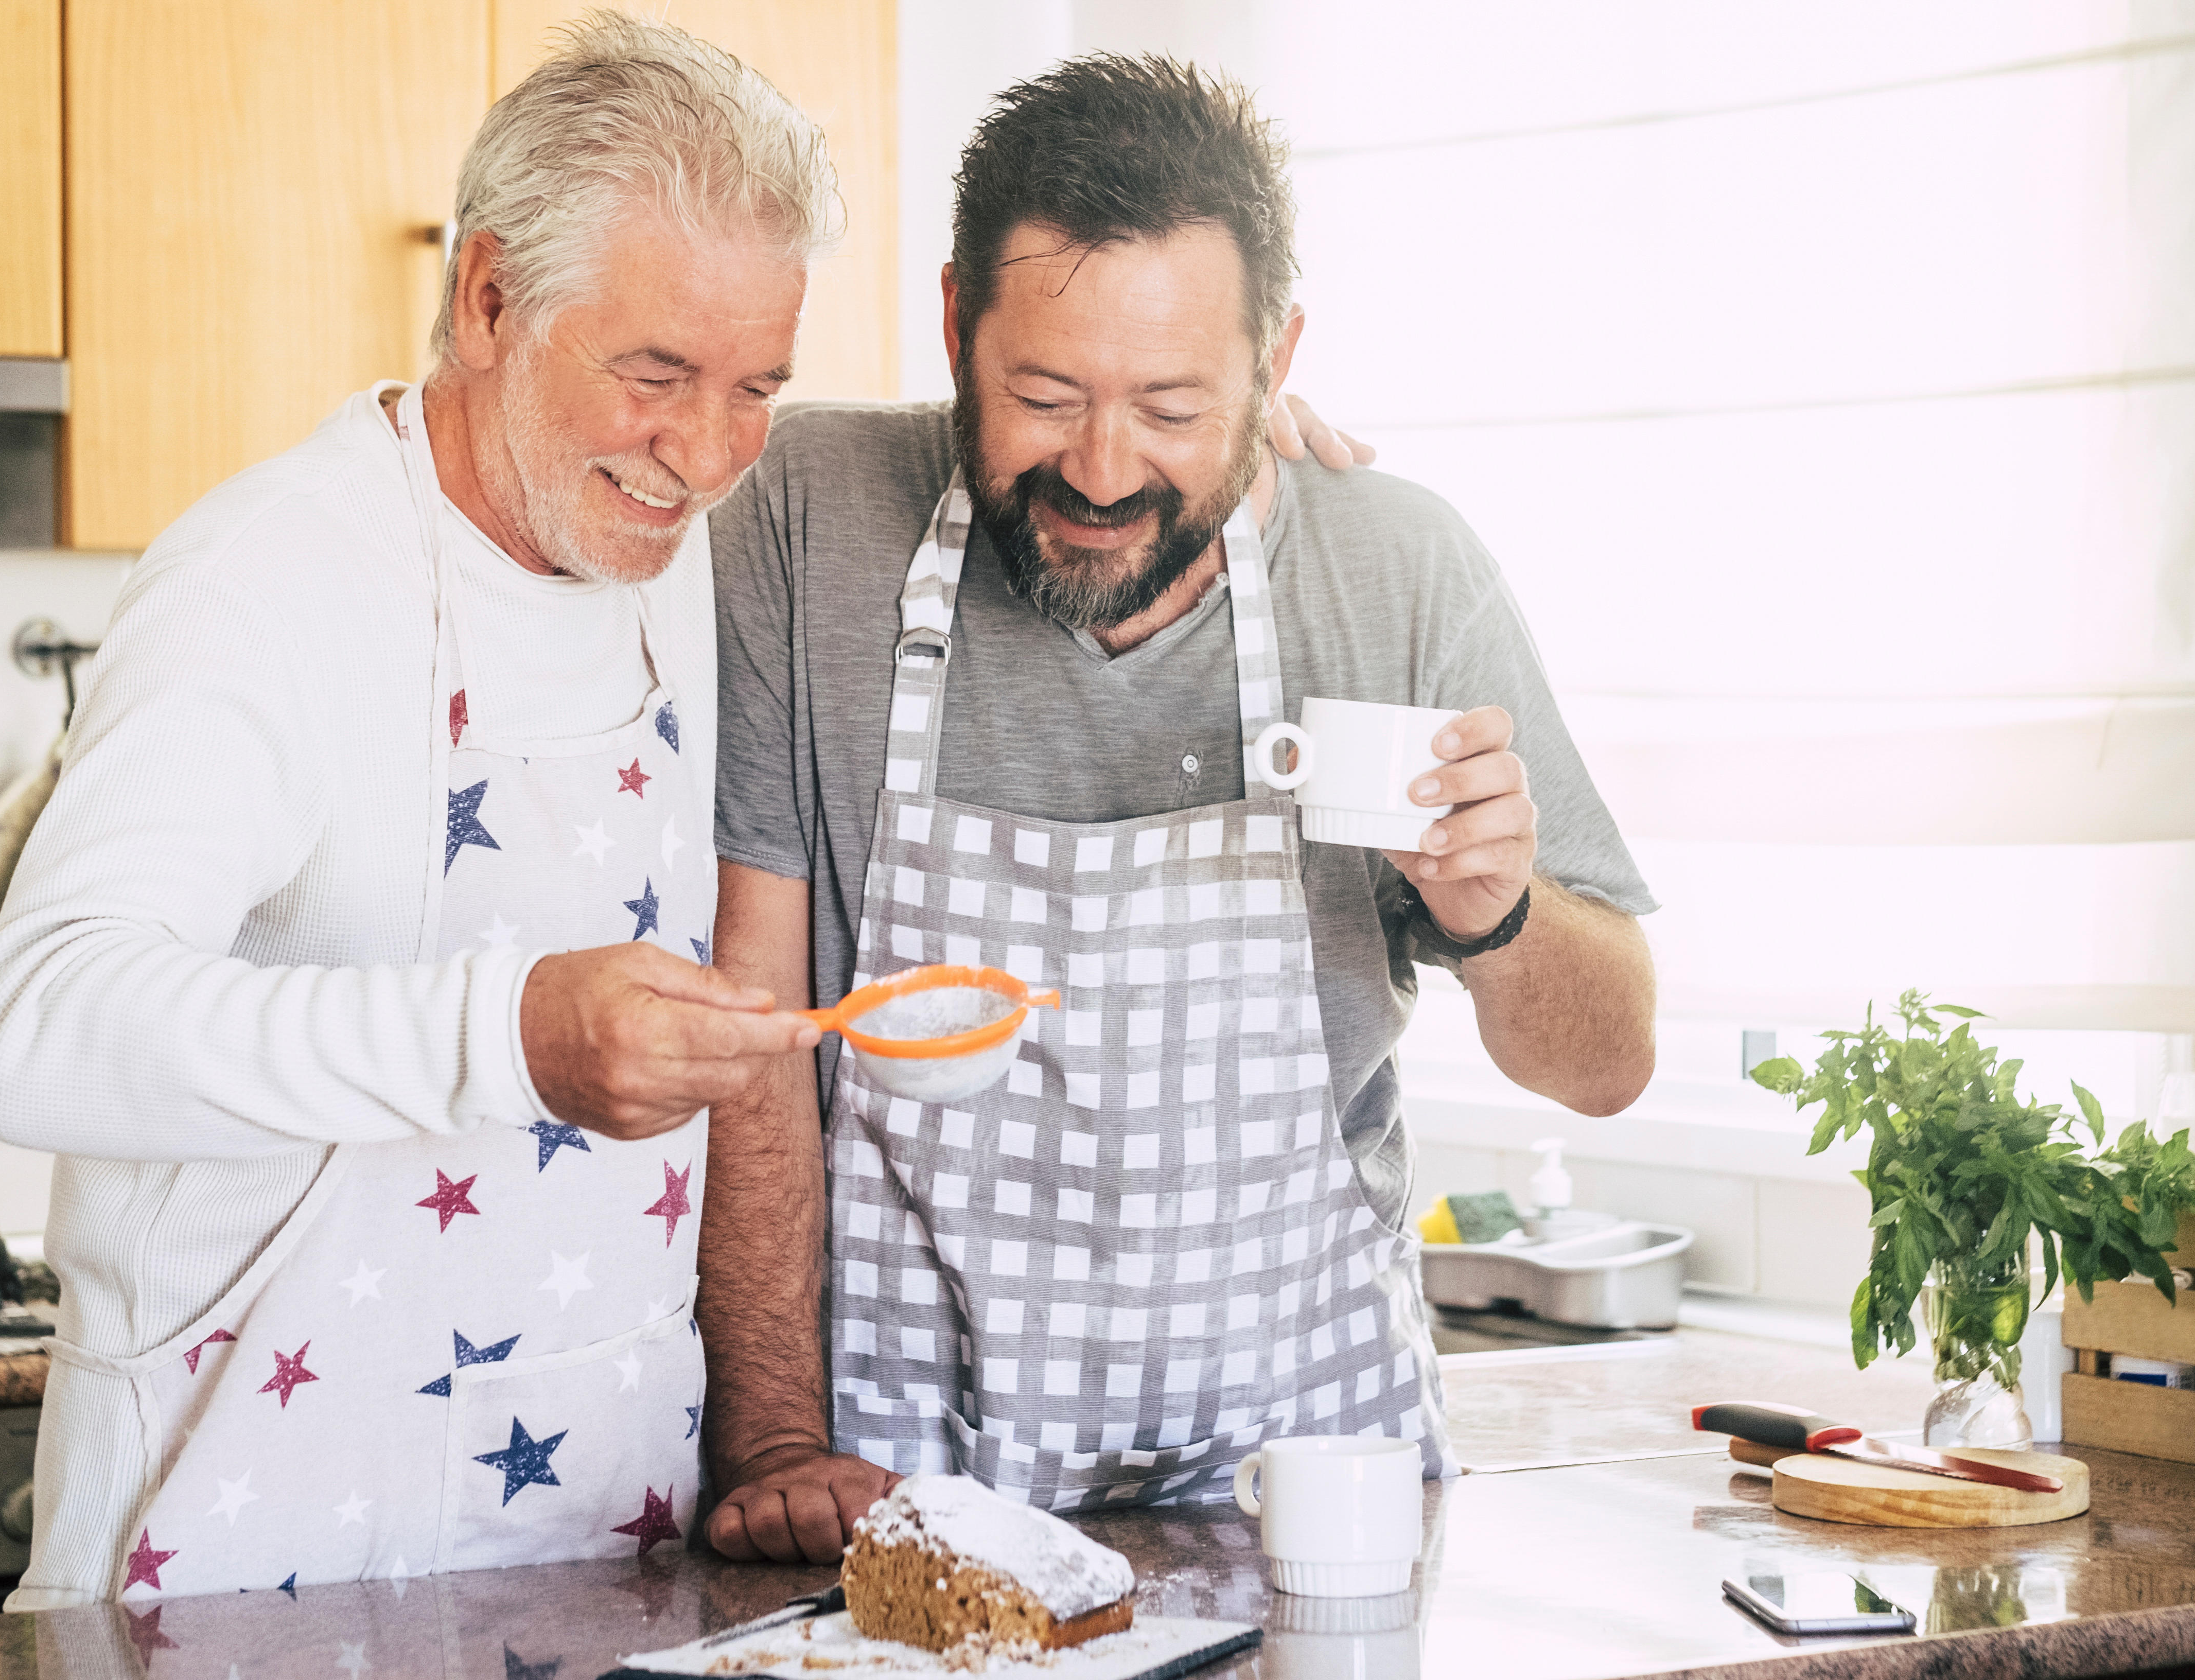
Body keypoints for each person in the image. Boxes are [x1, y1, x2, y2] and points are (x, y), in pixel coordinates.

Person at [0, 16, 1367, 1602]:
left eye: (756, 384)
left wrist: (1242, 430)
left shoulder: (701, 547)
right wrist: (507, 1038)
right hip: (244, 1573)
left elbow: (1042, 446)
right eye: (655, 376)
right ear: (487, 299)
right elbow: (40, 1025)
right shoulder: (269, 582)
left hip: (590, 1575)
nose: (705, 453)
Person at [705, 56, 1660, 1552]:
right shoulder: (803, 514)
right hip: (906, 1515)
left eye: (1171, 403)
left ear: (1277, 359)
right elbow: (745, 1032)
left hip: (1307, 1516)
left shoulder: (1397, 571)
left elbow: (1608, 1066)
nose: (1100, 467)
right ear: (957, 322)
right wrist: (771, 1438)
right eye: (1041, 394)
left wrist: (1503, 915)